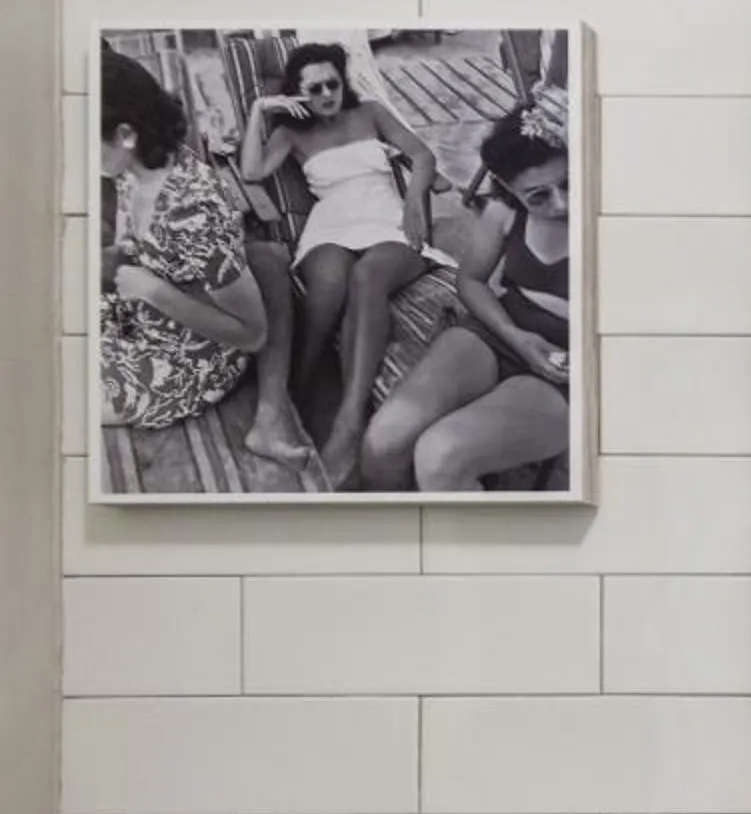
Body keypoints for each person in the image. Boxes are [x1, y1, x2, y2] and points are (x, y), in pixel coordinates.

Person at [238, 40, 438, 486]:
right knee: (327, 288)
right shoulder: (291, 133)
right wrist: (259, 109)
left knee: (367, 277)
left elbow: (423, 155)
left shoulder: (370, 113)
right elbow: (252, 172)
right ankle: (297, 393)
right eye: (314, 88)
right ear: (297, 92)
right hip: (331, 222)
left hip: (387, 219)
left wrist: (412, 203)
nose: (326, 94)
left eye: (332, 83)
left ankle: (348, 423)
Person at [361, 105, 573, 494]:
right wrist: (516, 337)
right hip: (504, 330)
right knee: (384, 441)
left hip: (571, 362)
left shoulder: (611, 216)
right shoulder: (505, 210)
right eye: (539, 196)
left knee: (440, 457)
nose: (561, 204)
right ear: (510, 189)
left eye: (569, 183)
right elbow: (472, 280)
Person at [97, 48, 267, 436]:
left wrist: (155, 291)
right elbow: (136, 248)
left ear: (125, 134)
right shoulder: (132, 170)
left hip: (193, 356)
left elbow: (253, 334)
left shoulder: (193, 211)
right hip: (138, 318)